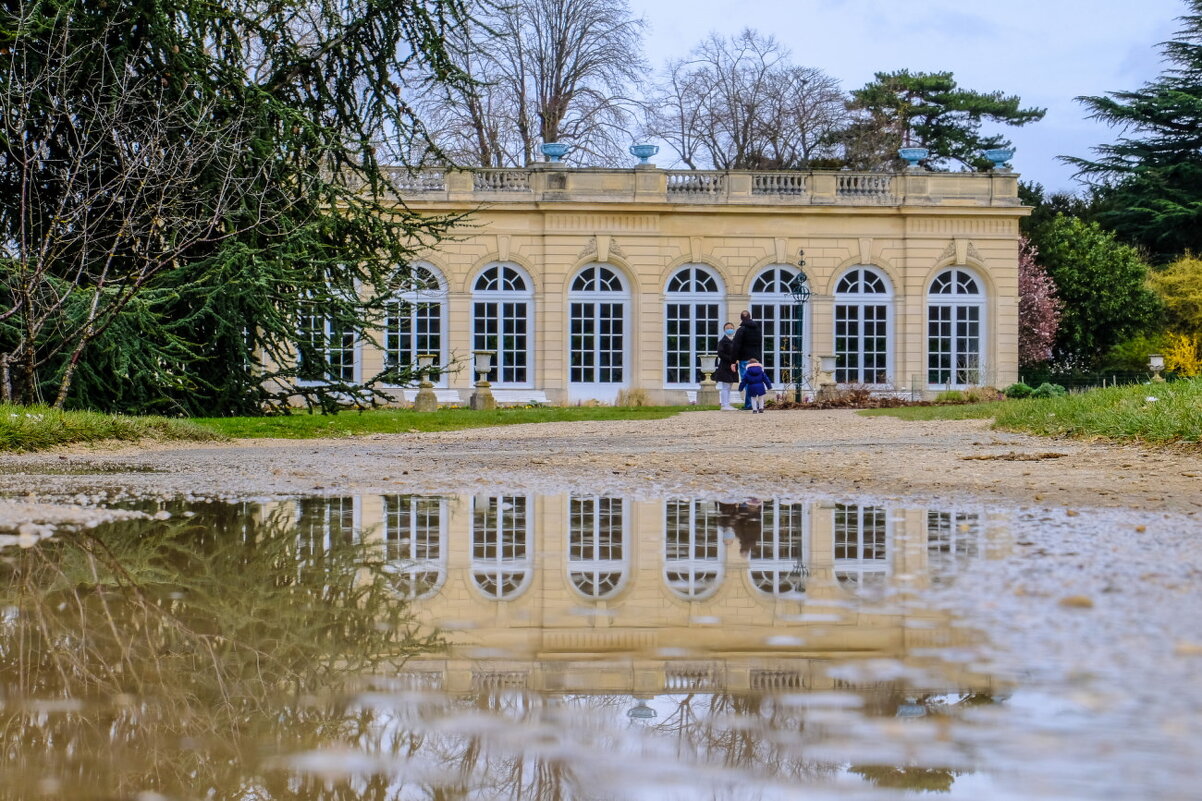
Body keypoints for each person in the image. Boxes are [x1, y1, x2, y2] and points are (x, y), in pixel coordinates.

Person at [730, 310, 762, 410]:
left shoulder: (741, 330)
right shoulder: (757, 329)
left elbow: (736, 346)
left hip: (745, 359)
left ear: (741, 318)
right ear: (750, 317)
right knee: (756, 382)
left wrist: (733, 360)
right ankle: (756, 404)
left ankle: (749, 404)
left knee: (748, 382)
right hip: (756, 359)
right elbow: (760, 344)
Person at [714, 322, 739, 410]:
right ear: (724, 330)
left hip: (734, 366)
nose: (730, 329)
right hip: (725, 366)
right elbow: (720, 353)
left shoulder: (735, 341)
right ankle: (724, 404)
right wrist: (731, 359)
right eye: (728, 328)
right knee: (725, 385)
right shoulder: (722, 341)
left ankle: (727, 403)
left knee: (730, 385)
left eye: (731, 327)